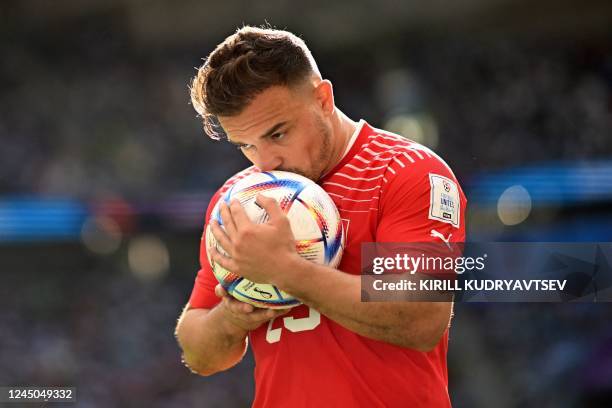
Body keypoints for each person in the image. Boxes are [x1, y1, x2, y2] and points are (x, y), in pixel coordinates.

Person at [175, 26, 467, 408]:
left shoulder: (405, 173)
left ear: (323, 98)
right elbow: (199, 354)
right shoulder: (240, 200)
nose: (266, 162)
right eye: (246, 145)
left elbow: (419, 317)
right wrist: (232, 318)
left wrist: (285, 270)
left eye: (278, 134)